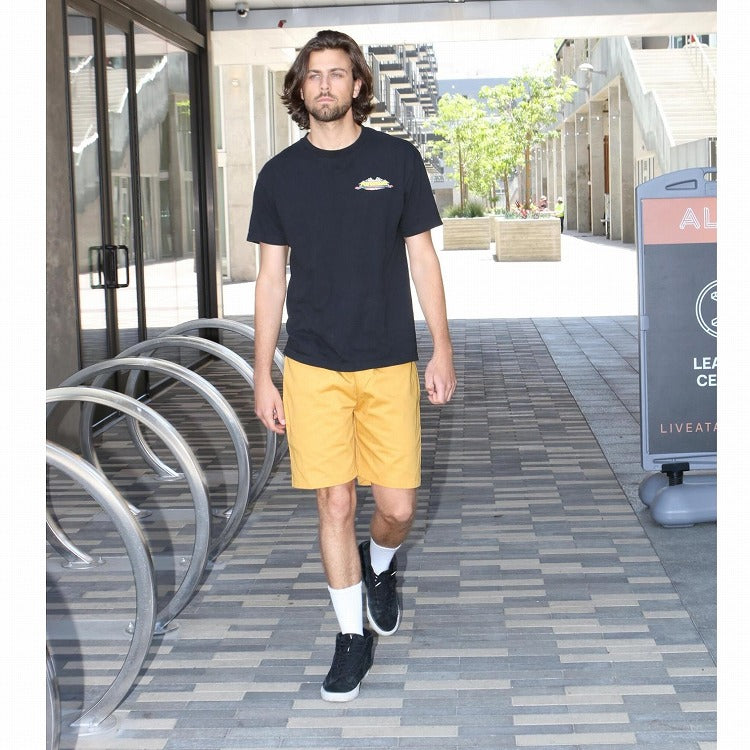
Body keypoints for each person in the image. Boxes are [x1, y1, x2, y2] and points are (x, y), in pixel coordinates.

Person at [247, 29, 456, 703]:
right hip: (313, 365)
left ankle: (381, 564)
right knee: (334, 501)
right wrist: (261, 373)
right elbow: (270, 279)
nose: (325, 85)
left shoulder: (396, 160)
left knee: (396, 507)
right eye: (314, 75)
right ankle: (349, 637)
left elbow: (422, 257)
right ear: (300, 87)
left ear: (359, 84)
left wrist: (442, 346)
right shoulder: (279, 175)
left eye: (337, 73)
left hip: (389, 360)